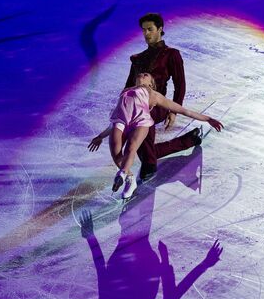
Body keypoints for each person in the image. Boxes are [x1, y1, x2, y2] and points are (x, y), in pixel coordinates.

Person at [88, 72, 223, 200]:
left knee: (131, 148)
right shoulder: (125, 92)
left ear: (151, 84)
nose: (142, 74)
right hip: (120, 122)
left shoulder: (153, 94)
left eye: (146, 75)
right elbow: (120, 115)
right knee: (116, 154)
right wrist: (100, 136)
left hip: (141, 123)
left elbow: (183, 110)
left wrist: (207, 119)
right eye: (141, 74)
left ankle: (122, 173)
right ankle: (129, 179)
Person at [125, 12, 204, 180]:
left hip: (159, 105)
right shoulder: (138, 59)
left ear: (160, 29)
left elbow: (180, 84)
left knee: (141, 121)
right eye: (144, 30)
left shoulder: (171, 54)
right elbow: (127, 87)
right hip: (136, 106)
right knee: (144, 144)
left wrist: (173, 111)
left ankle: (150, 165)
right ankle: (189, 139)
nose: (146, 34)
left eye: (150, 29)